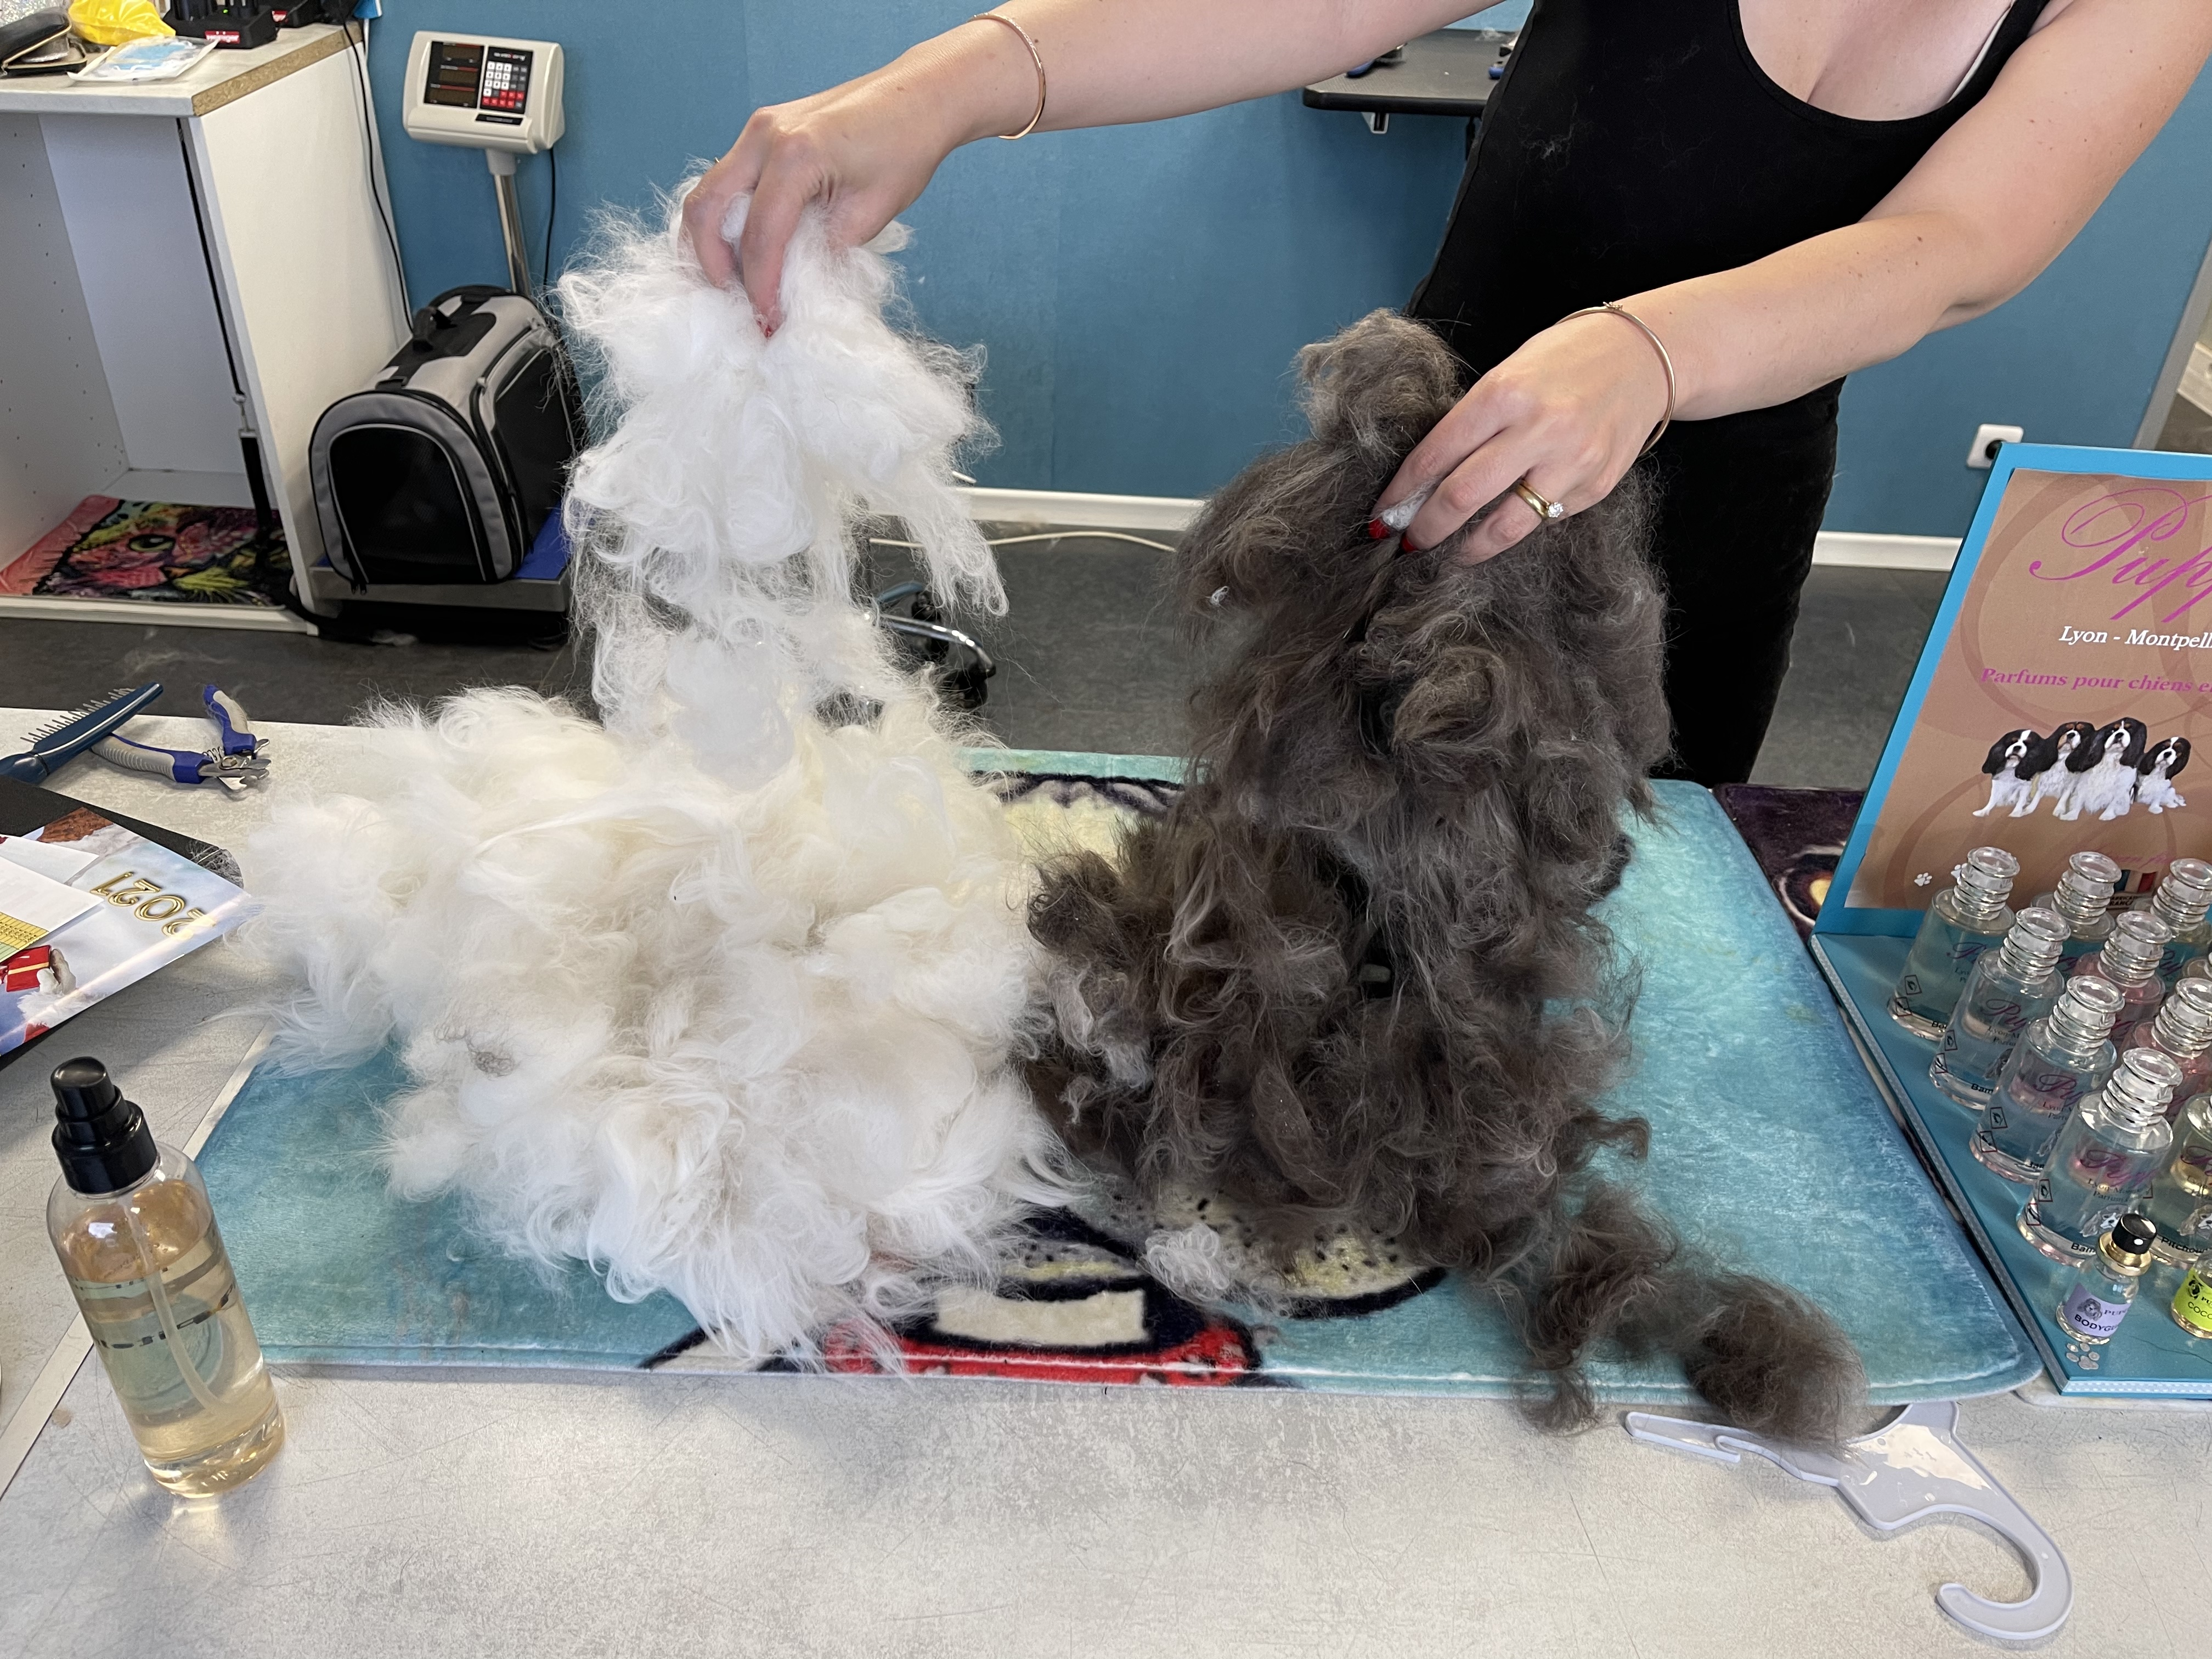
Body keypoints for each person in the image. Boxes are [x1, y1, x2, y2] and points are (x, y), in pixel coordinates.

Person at [684, 1, 2212, 785]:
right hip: (1424, 473)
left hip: (1703, 545)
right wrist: (942, 87)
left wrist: (1651, 353)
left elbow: (1953, 249)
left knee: (1594, 918)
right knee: (1315, 847)